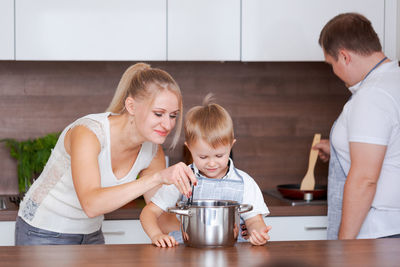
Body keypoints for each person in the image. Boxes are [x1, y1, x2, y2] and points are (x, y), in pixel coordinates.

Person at [15, 63, 197, 245]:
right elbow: (91, 204)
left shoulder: (152, 151)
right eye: (158, 114)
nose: (168, 125)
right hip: (42, 231)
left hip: (91, 234)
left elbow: (159, 216)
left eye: (173, 116)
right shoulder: (88, 133)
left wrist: (206, 225)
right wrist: (157, 177)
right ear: (131, 106)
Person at [140, 94, 271, 247]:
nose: (211, 163)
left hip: (234, 254)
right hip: (188, 253)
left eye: (219, 155)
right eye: (202, 156)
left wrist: (257, 233)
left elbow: (255, 220)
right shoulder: (182, 178)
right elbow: (148, 213)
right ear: (189, 148)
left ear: (231, 145)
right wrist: (156, 235)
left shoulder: (244, 182)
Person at [315, 13, 400, 239]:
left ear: (344, 56)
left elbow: (364, 178)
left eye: (331, 64)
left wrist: (343, 247)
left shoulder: (372, 95)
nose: (334, 72)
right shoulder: (394, 80)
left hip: (378, 232)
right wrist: (337, 150)